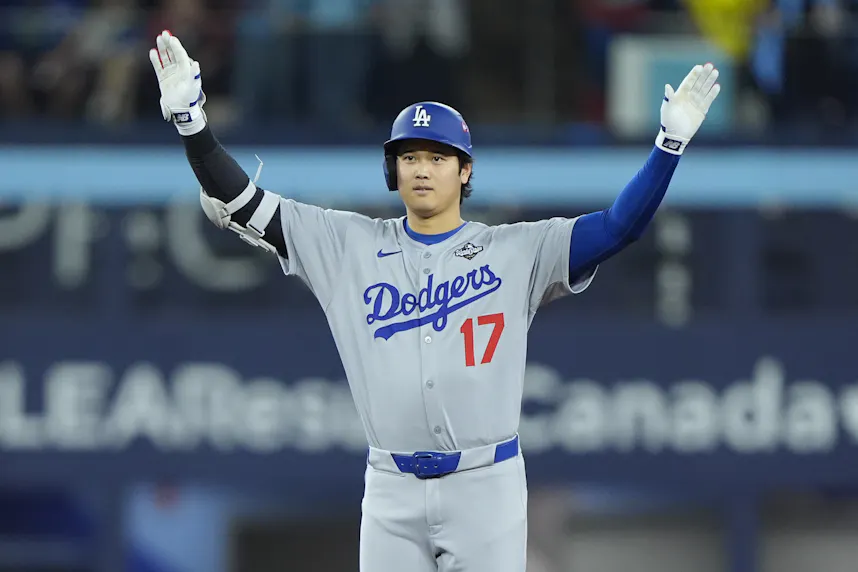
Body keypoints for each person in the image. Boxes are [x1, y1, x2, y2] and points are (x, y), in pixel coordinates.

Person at [149, 30, 720, 572]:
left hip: (485, 486)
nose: (423, 168)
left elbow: (620, 228)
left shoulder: (516, 250)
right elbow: (239, 200)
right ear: (393, 170)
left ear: (464, 170)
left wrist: (667, 147)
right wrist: (192, 124)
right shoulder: (345, 244)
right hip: (390, 487)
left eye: (438, 156)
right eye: (410, 156)